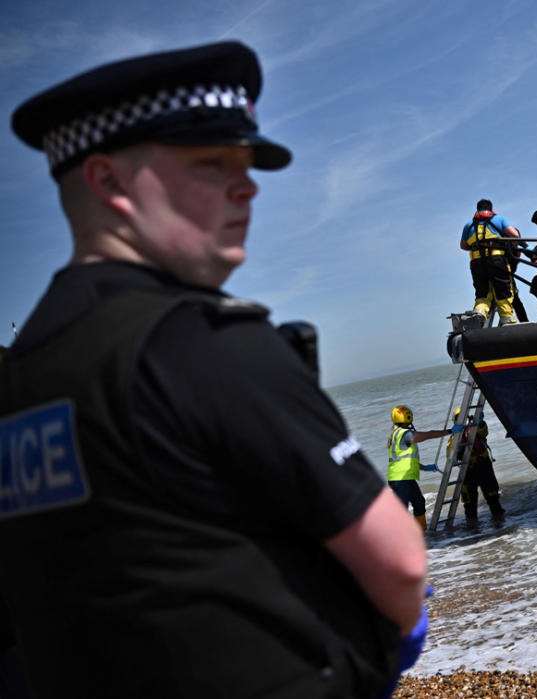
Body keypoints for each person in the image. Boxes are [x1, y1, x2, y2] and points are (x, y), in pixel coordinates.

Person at [0, 41, 427, 698]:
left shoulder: (24, 373)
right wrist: (393, 640)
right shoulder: (202, 343)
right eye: (211, 162)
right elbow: (398, 562)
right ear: (108, 180)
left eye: (247, 163)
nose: (248, 183)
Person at [388, 405, 460, 531]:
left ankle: (422, 535)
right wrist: (449, 431)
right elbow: (428, 435)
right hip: (400, 480)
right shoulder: (404, 434)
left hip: (405, 478)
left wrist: (424, 468)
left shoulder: (397, 434)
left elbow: (405, 460)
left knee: (419, 503)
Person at [461, 198, 521, 325]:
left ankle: (478, 314)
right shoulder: (499, 219)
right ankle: (508, 322)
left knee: (482, 294)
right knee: (503, 292)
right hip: (497, 261)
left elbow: (463, 245)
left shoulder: (469, 225)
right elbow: (515, 236)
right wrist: (511, 248)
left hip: (476, 263)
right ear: (491, 209)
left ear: (477, 210)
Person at [449, 411, 504, 521]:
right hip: (467, 470)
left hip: (483, 466)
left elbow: (484, 431)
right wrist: (457, 452)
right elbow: (450, 455)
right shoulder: (454, 437)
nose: (462, 420)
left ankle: (500, 524)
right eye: (459, 418)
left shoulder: (475, 429)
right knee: (469, 504)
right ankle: (473, 530)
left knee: (493, 497)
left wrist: (481, 422)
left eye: (464, 417)